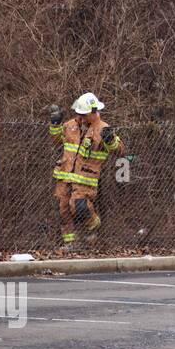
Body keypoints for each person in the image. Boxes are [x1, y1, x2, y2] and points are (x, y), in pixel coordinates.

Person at [49, 92, 124, 249]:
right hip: (65, 176)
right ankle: (70, 243)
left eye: (84, 114)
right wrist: (55, 126)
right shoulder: (71, 125)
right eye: (79, 114)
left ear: (94, 112)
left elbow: (120, 151)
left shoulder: (103, 129)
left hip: (85, 178)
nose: (81, 117)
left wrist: (111, 141)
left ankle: (93, 227)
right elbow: (57, 141)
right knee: (64, 210)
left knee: (79, 206)